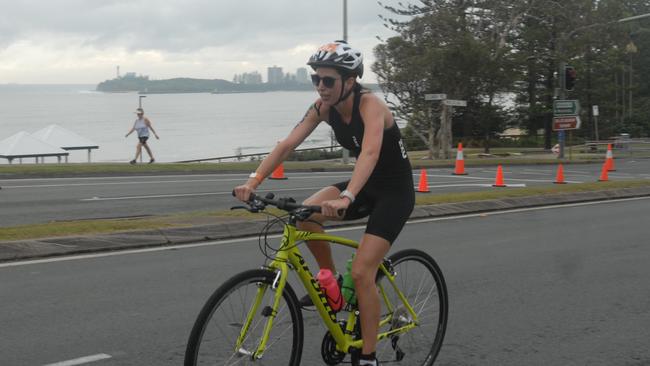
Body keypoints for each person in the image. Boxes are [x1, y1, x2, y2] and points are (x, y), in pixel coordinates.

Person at [233, 41, 414, 366]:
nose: (320, 86)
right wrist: (253, 181)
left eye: (328, 80)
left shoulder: (370, 104)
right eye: (315, 79)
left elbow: (370, 153)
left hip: (394, 192)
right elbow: (287, 143)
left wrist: (347, 196)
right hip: (364, 185)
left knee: (361, 274)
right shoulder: (322, 108)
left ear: (349, 80)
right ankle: (330, 288)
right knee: (304, 216)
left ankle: (369, 357)